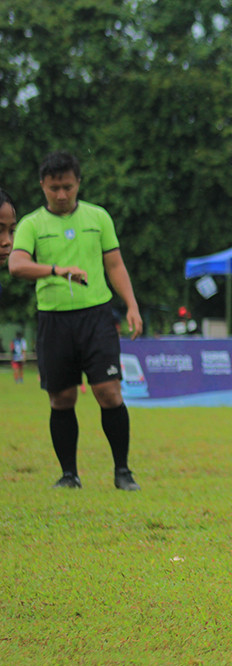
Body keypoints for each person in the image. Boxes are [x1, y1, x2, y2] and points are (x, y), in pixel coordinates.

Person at [8, 151, 143, 491]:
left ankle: (123, 472)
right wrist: (56, 270)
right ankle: (69, 475)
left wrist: (131, 305)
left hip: (96, 316)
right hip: (53, 319)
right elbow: (16, 265)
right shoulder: (30, 224)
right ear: (43, 186)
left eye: (68, 186)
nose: (62, 194)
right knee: (62, 398)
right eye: (54, 188)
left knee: (109, 392)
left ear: (78, 183)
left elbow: (115, 265)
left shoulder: (98, 218)